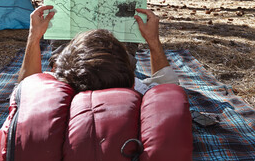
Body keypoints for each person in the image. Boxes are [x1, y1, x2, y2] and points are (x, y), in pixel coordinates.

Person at [16, 5, 178, 94]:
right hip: (100, 68)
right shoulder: (137, 89)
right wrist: (153, 41)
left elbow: (24, 85)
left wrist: (34, 36)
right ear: (127, 72)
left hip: (76, 70)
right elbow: (168, 85)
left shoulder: (53, 88)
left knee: (61, 44)